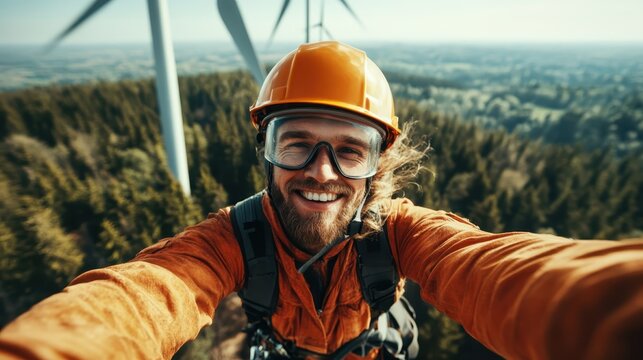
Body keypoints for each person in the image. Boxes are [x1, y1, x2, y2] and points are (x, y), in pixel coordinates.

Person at [0, 41, 641, 360]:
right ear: (266, 150)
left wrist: (614, 311)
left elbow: (493, 268)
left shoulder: (403, 234)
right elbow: (140, 297)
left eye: (349, 150)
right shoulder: (230, 240)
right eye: (297, 143)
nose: (321, 173)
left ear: (376, 163)